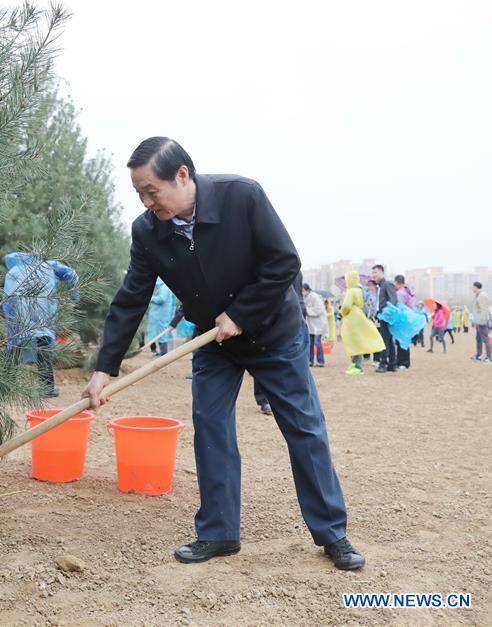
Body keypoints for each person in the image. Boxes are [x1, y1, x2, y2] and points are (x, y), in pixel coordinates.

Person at [81, 137, 363, 571]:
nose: (145, 201)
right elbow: (131, 297)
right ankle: (218, 533)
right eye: (138, 192)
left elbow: (284, 262)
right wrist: (104, 369)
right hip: (214, 342)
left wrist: (241, 313)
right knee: (210, 427)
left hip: (273, 333)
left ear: (182, 175)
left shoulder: (241, 196)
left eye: (151, 190)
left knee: (304, 429)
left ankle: (333, 534)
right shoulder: (148, 231)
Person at [3, 252, 79, 397]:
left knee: (14, 344)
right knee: (43, 342)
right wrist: (73, 297)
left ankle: (5, 387)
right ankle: (46, 388)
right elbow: (72, 274)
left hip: (17, 311)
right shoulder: (48, 265)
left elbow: (7, 300)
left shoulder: (13, 270)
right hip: (43, 310)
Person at [339, 271, 385, 375]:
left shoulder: (351, 291)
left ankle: (357, 366)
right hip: (360, 317)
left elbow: (346, 306)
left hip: (352, 319)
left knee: (353, 343)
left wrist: (342, 312)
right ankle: (356, 364)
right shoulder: (361, 290)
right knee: (358, 342)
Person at [371, 264, 398, 373]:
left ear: (382, 272)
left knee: (384, 341)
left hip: (387, 317)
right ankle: (392, 364)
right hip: (382, 316)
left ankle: (383, 364)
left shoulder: (387, 284)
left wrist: (386, 313)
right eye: (372, 273)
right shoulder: (381, 286)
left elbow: (393, 300)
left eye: (375, 272)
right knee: (388, 341)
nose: (374, 275)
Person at [148, 277, 177, 356]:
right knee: (158, 333)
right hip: (159, 314)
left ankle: (163, 353)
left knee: (162, 333)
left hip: (161, 315)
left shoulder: (164, 287)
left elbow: (161, 299)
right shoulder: (163, 286)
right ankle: (160, 352)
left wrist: (150, 298)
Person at [393, 275, 416, 369]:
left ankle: (402, 363)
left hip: (402, 319)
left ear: (397, 282)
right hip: (409, 318)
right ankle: (404, 362)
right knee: (404, 341)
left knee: (400, 341)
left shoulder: (400, 293)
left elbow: (400, 308)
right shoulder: (408, 291)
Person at [302, 284, 328, 367]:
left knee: (317, 342)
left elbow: (318, 310)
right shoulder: (305, 297)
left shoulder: (315, 297)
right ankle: (310, 361)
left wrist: (307, 311)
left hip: (318, 324)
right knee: (310, 343)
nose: (302, 292)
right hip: (311, 324)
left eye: (303, 290)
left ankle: (321, 361)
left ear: (307, 290)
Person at [471, 281, 492, 363]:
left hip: (482, 321)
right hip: (478, 321)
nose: (472, 288)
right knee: (478, 339)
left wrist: (482, 321)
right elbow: (477, 309)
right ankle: (478, 356)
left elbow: (484, 309)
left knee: (485, 339)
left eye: (473, 287)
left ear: (476, 287)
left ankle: (489, 357)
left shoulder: (482, 296)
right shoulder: (478, 295)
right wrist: (475, 320)